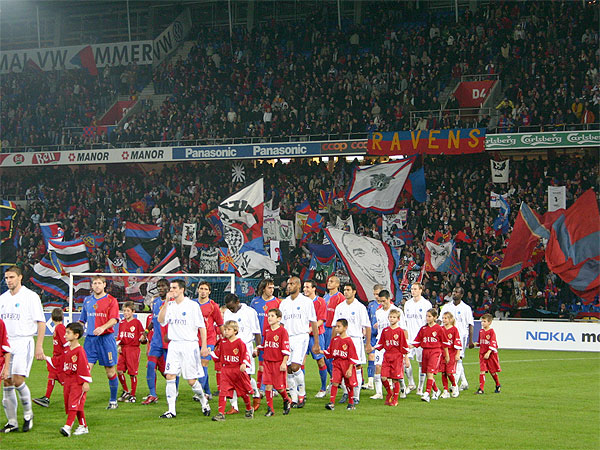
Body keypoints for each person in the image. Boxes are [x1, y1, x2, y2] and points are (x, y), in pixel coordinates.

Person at [0, 265, 45, 433]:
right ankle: (12, 422)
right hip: (6, 344)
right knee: (6, 381)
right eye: (6, 278)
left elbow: (41, 323)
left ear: (20, 277)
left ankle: (28, 414)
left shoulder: (30, 297)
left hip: (23, 342)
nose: (8, 281)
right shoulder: (2, 298)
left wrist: (39, 346)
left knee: (18, 379)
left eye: (11, 277)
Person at [157, 279, 211, 418]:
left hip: (189, 345)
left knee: (191, 381)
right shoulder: (170, 305)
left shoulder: (192, 306)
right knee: (170, 376)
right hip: (174, 345)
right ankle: (171, 410)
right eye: (171, 288)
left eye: (174, 288)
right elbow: (160, 320)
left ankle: (204, 401)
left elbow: (202, 327)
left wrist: (204, 346)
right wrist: (166, 303)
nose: (171, 290)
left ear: (182, 290)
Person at [79, 275, 120, 410]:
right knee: (85, 371)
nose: (97, 286)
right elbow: (82, 320)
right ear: (92, 286)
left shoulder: (111, 300)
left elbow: (114, 319)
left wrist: (103, 327)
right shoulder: (87, 300)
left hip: (106, 340)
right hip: (90, 341)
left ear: (104, 285)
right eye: (95, 283)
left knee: (110, 372)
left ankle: (113, 400)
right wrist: (75, 331)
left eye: (99, 283)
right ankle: (78, 402)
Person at [279, 276, 320, 408]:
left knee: (296, 366)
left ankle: (302, 392)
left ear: (298, 285)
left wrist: (316, 343)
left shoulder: (306, 302)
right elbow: (281, 324)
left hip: (301, 337)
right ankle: (294, 397)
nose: (289, 286)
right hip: (287, 338)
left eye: (291, 284)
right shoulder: (284, 303)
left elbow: (313, 322)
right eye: (288, 284)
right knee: (289, 369)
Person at [45, 322, 92, 437]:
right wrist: (46, 358)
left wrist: (85, 382)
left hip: (77, 381)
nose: (65, 335)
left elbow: (84, 367)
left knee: (73, 403)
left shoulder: (80, 351)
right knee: (74, 404)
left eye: (68, 333)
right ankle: (83, 426)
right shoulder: (66, 350)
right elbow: (59, 362)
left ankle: (68, 427)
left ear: (76, 335)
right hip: (68, 381)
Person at [332, 282, 372, 404]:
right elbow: (334, 326)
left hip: (355, 340)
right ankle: (346, 392)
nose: (346, 292)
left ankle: (356, 396)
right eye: (344, 290)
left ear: (354, 292)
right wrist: (333, 343)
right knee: (342, 367)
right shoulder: (339, 307)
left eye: (348, 290)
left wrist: (368, 344)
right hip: (341, 340)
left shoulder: (360, 307)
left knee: (357, 366)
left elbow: (367, 326)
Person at [223, 293, 261, 414]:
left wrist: (257, 348)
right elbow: (226, 331)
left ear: (238, 302)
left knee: (246, 377)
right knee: (231, 378)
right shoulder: (227, 313)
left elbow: (257, 332)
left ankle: (256, 394)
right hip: (231, 348)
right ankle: (234, 406)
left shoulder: (250, 312)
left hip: (246, 347)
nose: (231, 310)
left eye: (232, 307)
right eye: (228, 308)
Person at [211, 320, 255, 422]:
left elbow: (245, 354)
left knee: (243, 392)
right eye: (225, 329)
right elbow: (218, 356)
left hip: (237, 371)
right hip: (226, 370)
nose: (226, 331)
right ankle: (221, 413)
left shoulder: (240, 343)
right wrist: (211, 353)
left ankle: (249, 408)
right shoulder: (223, 342)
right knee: (223, 391)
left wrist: (244, 363)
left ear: (235, 331)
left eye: (229, 329)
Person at [249, 278, 280, 406]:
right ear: (263, 289)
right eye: (269, 287)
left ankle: (270, 388)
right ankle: (261, 387)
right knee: (261, 365)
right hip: (259, 338)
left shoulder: (277, 302)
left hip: (272, 338)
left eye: (273, 287)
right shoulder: (255, 302)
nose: (272, 290)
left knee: (270, 364)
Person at [372, 290, 407, 400]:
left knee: (395, 373)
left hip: (394, 346)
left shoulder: (397, 311)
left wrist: (405, 347)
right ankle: (379, 392)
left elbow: (403, 329)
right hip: (381, 342)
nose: (382, 303)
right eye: (380, 301)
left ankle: (402, 387)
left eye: (384, 301)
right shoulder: (378, 312)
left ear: (389, 299)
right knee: (378, 366)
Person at [256, 309, 292, 417]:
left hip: (278, 362)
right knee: (268, 386)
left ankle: (286, 399)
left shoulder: (282, 331)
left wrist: (284, 363)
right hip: (267, 362)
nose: (269, 318)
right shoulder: (267, 330)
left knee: (279, 387)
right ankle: (270, 409)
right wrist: (257, 349)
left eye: (272, 316)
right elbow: (264, 344)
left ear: (279, 318)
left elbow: (286, 349)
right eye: (268, 316)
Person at [440, 286, 474, 390]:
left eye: (457, 292)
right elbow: (440, 320)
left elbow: (470, 324)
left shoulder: (466, 308)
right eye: (454, 291)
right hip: (447, 337)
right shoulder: (446, 307)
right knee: (453, 359)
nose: (454, 293)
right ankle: (464, 382)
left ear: (461, 295)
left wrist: (470, 340)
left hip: (461, 336)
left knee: (458, 358)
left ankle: (453, 384)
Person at [142, 278, 169, 405]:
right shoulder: (156, 302)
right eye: (159, 286)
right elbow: (154, 320)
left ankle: (174, 392)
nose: (160, 288)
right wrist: (146, 332)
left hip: (169, 342)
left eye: (163, 286)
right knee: (150, 366)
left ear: (168, 288)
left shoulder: (173, 303)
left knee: (170, 370)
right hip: (156, 341)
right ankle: (152, 394)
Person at [322, 319, 359, 411]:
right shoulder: (334, 340)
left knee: (349, 384)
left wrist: (350, 369)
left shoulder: (349, 341)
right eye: (336, 326)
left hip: (346, 364)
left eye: (339, 327)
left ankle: (351, 403)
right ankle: (331, 403)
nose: (336, 328)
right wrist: (320, 351)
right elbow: (330, 353)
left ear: (345, 328)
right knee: (335, 382)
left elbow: (352, 356)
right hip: (336, 364)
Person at [195, 281, 224, 401]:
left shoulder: (213, 306)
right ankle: (207, 392)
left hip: (209, 339)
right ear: (198, 290)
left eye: (206, 289)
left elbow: (220, 323)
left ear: (209, 292)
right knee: (198, 366)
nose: (203, 291)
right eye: (201, 288)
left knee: (204, 363)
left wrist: (225, 339)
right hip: (195, 339)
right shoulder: (192, 305)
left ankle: (200, 392)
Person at [33, 308, 67, 408]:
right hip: (57, 357)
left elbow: (66, 344)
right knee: (52, 375)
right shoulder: (59, 328)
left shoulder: (60, 328)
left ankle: (74, 396)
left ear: (51, 318)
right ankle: (46, 398)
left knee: (64, 380)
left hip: (60, 358)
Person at [410, 308, 445, 403]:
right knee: (427, 372)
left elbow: (444, 342)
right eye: (426, 316)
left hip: (435, 351)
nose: (427, 318)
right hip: (425, 352)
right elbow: (418, 340)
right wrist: (410, 346)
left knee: (430, 372)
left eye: (429, 316)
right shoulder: (423, 329)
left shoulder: (439, 329)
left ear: (435, 317)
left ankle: (427, 393)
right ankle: (436, 390)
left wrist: (446, 355)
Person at [403, 282, 433, 395]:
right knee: (405, 362)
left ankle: (420, 387)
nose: (413, 291)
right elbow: (405, 321)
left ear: (421, 290)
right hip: (409, 337)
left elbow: (429, 322)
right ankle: (411, 383)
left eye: (415, 289)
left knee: (421, 363)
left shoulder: (426, 304)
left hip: (421, 338)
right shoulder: (407, 304)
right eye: (412, 289)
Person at [302, 279, 328, 397]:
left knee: (320, 361)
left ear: (314, 289)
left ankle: (323, 388)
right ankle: (301, 389)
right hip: (303, 336)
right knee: (300, 361)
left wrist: (310, 329)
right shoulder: (301, 301)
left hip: (316, 335)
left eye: (308, 287)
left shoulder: (320, 301)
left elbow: (321, 320)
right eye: (304, 287)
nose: (305, 289)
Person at [116, 301, 145, 403]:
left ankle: (133, 395)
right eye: (124, 311)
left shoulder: (137, 323)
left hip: (133, 350)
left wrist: (143, 338)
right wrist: (119, 345)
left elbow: (143, 337)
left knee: (132, 373)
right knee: (119, 370)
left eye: (128, 311)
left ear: (133, 312)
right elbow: (120, 336)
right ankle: (126, 391)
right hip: (123, 349)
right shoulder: (122, 322)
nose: (125, 313)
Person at [322, 276, 345, 386]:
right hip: (324, 328)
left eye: (332, 281)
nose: (329, 283)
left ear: (337, 284)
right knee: (325, 355)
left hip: (333, 329)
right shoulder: (325, 297)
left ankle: (337, 379)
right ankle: (334, 378)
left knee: (334, 355)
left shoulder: (340, 298)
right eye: (328, 281)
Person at [475, 313, 501, 394]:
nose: (482, 323)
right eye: (482, 321)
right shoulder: (481, 331)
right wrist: (475, 344)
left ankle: (498, 384)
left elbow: (493, 343)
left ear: (489, 322)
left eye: (484, 321)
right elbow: (480, 342)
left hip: (490, 355)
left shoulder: (491, 332)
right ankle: (481, 389)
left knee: (492, 372)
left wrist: (489, 352)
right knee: (482, 371)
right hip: (482, 354)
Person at [439, 311, 462, 398]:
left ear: (450, 319)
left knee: (449, 372)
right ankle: (445, 390)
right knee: (443, 372)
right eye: (443, 318)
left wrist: (458, 354)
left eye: (446, 318)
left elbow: (457, 342)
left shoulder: (454, 330)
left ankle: (454, 386)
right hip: (442, 353)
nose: (444, 320)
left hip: (451, 353)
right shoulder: (441, 329)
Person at [364, 284, 382, 391]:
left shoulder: (387, 305)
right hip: (371, 335)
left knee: (382, 360)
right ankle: (370, 382)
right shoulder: (371, 305)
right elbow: (367, 319)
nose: (376, 296)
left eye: (378, 294)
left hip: (382, 336)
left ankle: (388, 381)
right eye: (374, 294)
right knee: (371, 356)